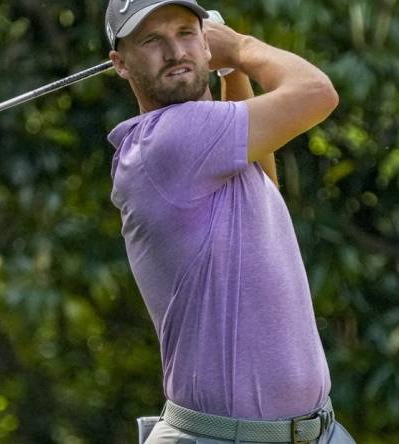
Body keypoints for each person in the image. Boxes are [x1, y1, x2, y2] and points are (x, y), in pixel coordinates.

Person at [105, 0, 354, 442]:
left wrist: (229, 74)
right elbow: (318, 93)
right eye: (152, 40)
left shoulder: (213, 151)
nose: (175, 51)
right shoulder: (168, 140)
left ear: (202, 42)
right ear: (120, 64)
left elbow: (263, 187)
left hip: (318, 431)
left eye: (185, 32)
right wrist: (239, 47)